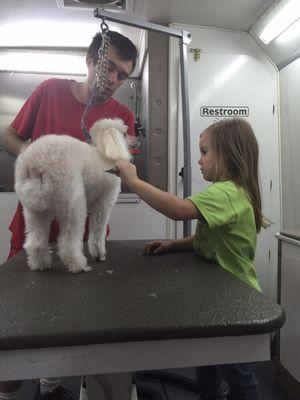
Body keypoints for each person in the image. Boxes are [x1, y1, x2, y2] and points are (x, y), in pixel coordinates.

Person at [0, 31, 137, 400]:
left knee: (71, 324)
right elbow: (9, 135)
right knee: (12, 328)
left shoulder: (122, 116)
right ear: (90, 61)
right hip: (31, 229)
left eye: (122, 76)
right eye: (108, 68)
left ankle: (49, 387)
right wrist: (37, 154)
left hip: (85, 241)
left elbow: (116, 174)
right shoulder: (48, 90)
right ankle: (9, 393)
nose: (113, 80)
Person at [116, 118, 266, 400]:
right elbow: (206, 237)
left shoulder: (227, 193)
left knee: (238, 374)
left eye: (205, 152)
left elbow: (179, 210)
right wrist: (175, 244)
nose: (199, 160)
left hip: (234, 301)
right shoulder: (228, 193)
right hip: (217, 295)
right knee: (208, 359)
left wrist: (134, 182)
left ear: (228, 154)